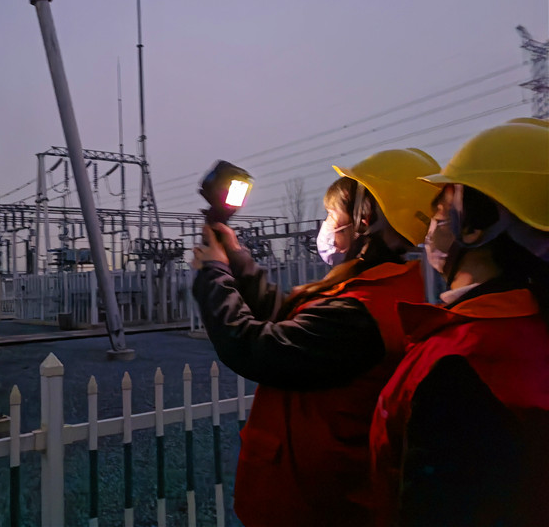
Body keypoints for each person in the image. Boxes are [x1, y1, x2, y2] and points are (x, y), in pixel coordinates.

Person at [191, 148, 440, 526]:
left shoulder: (360, 315)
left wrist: (213, 273)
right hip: (319, 493)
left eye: (331, 214)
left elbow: (253, 347)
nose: (326, 224)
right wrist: (236, 258)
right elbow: (290, 318)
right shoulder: (379, 291)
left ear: (365, 218)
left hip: (313, 504)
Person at [369, 118, 549, 527]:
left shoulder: (459, 364)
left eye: (440, 210)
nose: (431, 227)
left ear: (477, 225)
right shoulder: (530, 328)